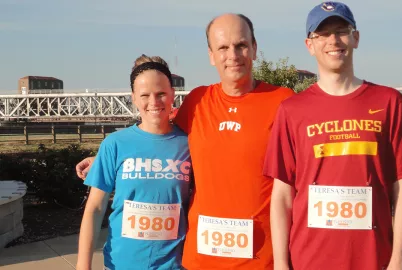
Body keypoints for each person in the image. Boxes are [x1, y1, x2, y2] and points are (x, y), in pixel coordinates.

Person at [77, 14, 294, 269]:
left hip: (260, 258)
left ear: (255, 48)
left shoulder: (282, 101)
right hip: (199, 259)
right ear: (211, 55)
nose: (233, 55)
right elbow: (155, 131)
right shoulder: (198, 101)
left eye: (241, 45)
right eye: (223, 47)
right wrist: (105, 159)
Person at [264, 2, 402, 270]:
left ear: (356, 37)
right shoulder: (292, 110)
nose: (333, 40)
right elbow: (282, 195)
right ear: (309, 45)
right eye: (322, 34)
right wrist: (280, 263)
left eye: (341, 30)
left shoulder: (389, 102)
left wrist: (400, 259)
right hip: (309, 259)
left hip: (375, 259)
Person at [76, 55, 192, 270]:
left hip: (175, 265)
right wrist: (83, 265)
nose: (154, 102)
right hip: (121, 263)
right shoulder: (114, 144)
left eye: (161, 94)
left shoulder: (190, 144)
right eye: (145, 95)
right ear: (134, 98)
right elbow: (94, 208)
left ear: (173, 95)